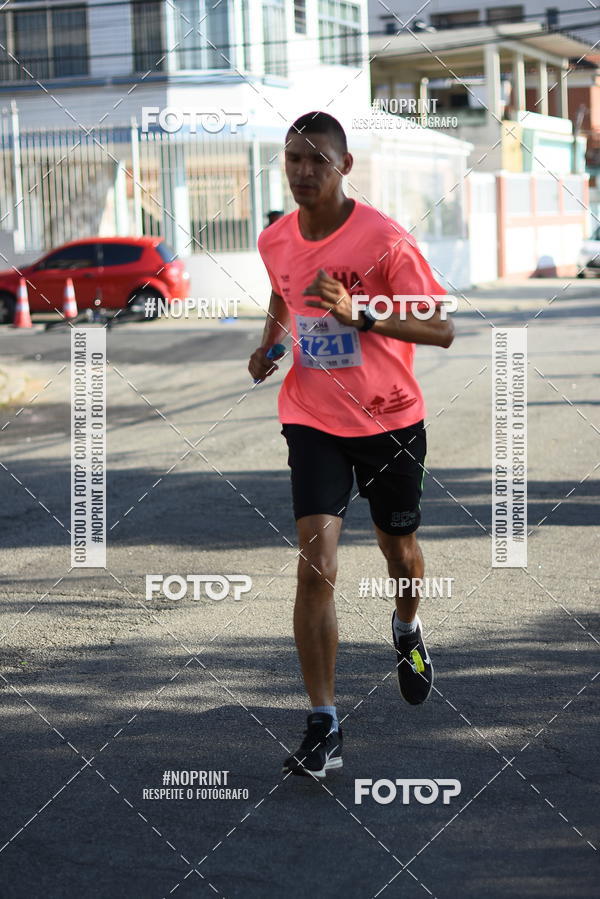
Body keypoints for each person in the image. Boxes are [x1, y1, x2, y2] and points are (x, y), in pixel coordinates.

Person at [248, 111, 455, 779]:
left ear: (345, 167)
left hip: (391, 418)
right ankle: (324, 722)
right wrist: (271, 344)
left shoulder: (385, 240)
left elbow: (442, 327)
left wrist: (360, 314)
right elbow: (283, 297)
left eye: (319, 161)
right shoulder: (275, 237)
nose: (304, 172)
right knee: (317, 566)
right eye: (293, 160)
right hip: (313, 417)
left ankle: (406, 626)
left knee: (400, 549)